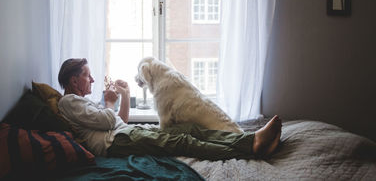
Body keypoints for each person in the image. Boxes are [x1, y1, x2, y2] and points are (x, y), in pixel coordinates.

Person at [57, 58, 282, 160]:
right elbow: (108, 122)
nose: (93, 79)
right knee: (182, 142)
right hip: (116, 143)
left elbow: (119, 121)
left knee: (189, 129)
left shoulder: (82, 103)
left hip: (123, 134)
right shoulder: (68, 102)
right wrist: (108, 103)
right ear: (74, 81)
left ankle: (249, 139)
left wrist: (123, 96)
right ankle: (250, 148)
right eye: (87, 75)